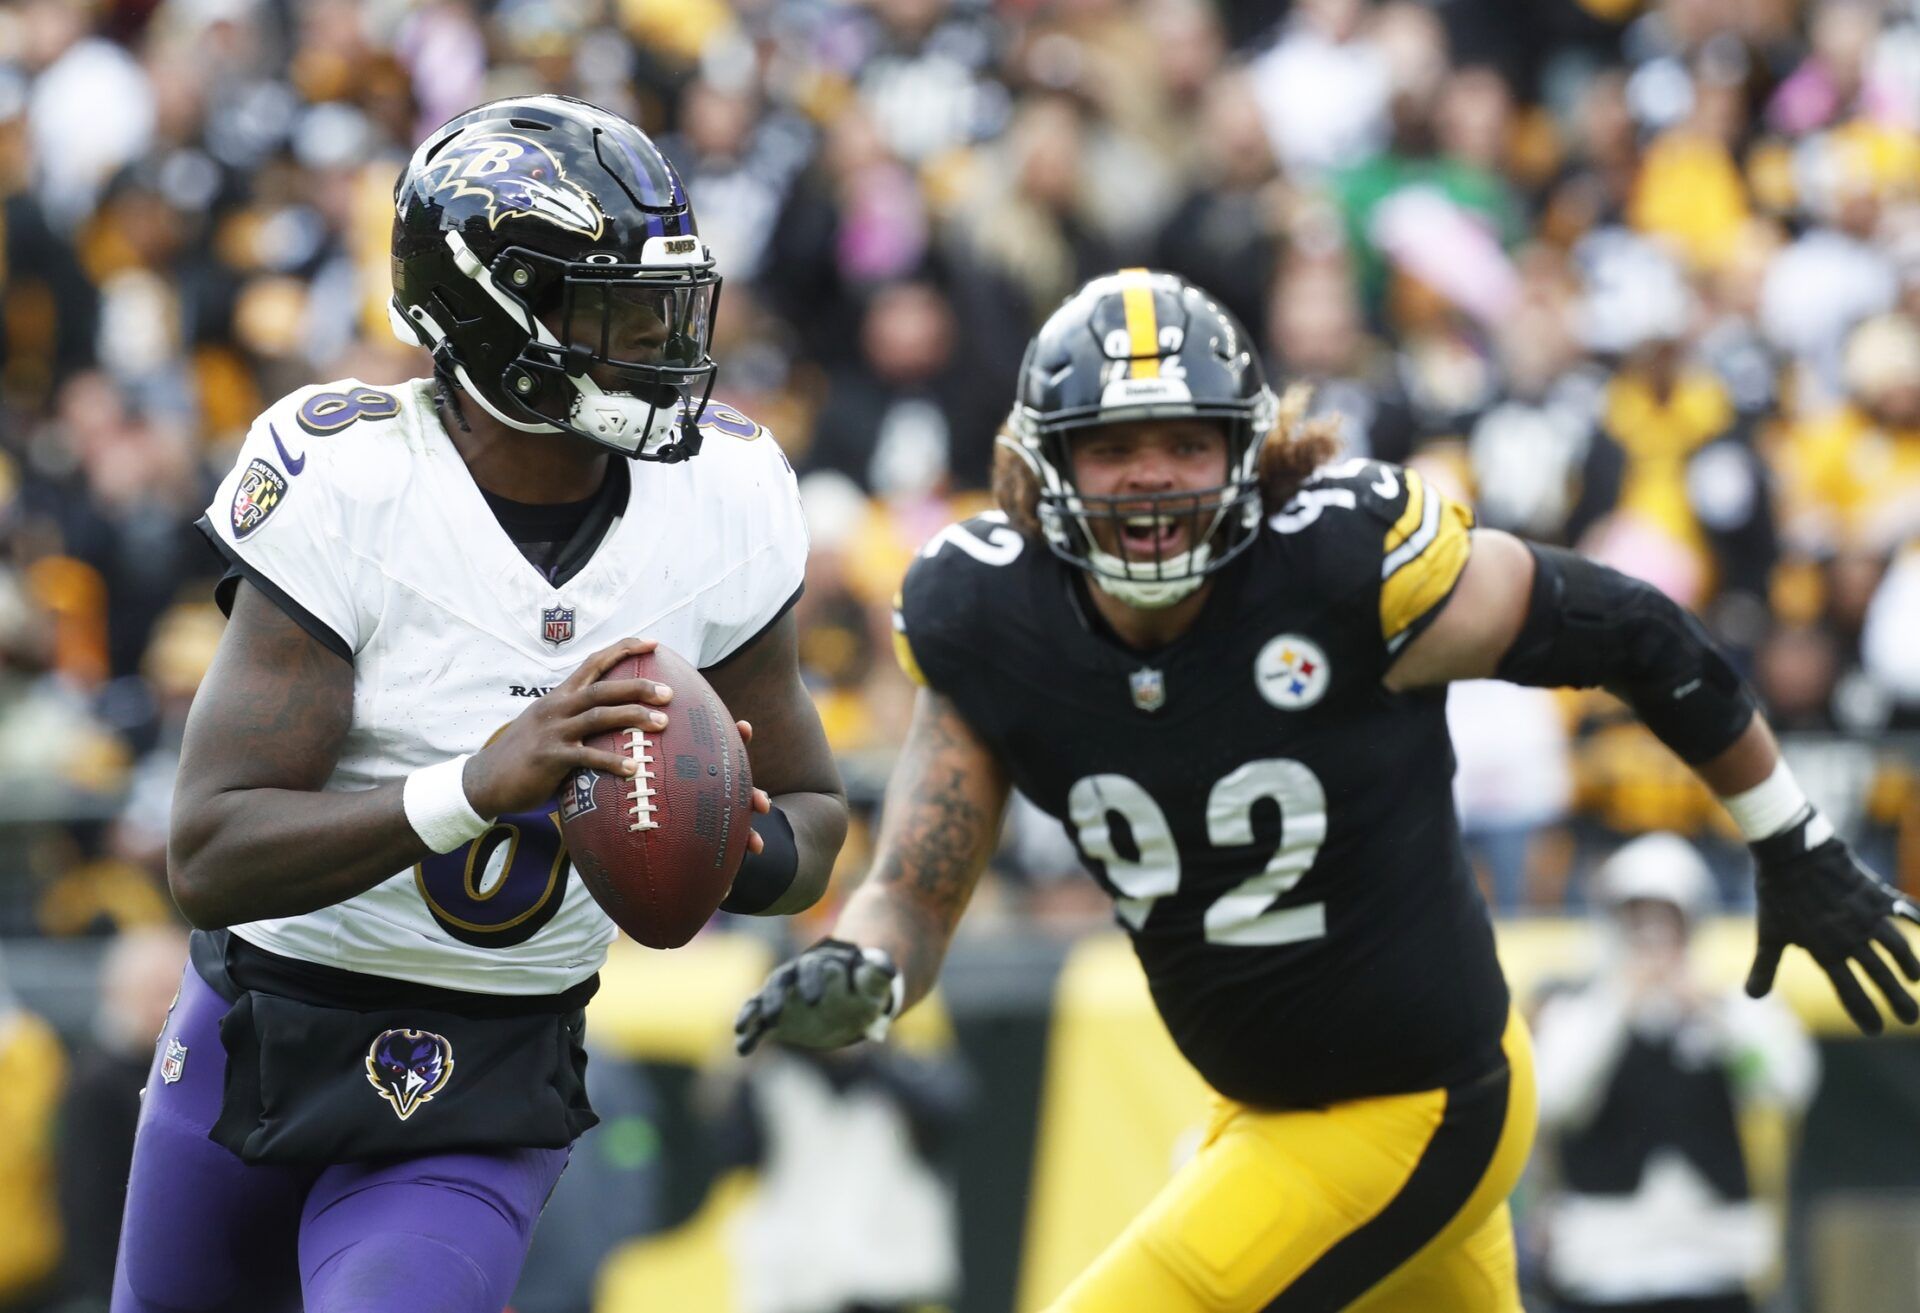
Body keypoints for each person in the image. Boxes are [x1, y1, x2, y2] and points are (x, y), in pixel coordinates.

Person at [734, 268, 1920, 1312]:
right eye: (1113, 445)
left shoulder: (1342, 569)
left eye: (1187, 442)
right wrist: (874, 969)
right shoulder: (986, 617)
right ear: (1046, 468)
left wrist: (1794, 841)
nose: (1152, 479)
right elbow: (920, 886)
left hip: (1426, 1099)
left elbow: (1632, 626)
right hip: (1260, 1111)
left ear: (1247, 451)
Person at [115, 94, 847, 1313]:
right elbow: (211, 849)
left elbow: (813, 818)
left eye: (668, 301)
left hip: (497, 1062)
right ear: (491, 309)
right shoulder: (349, 478)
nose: (661, 337)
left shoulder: (728, 496)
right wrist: (472, 789)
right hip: (260, 1033)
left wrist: (724, 843)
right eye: (613, 307)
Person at [1532, 834, 1818, 1313]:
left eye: (1668, 920)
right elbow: (1554, 1099)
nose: (1653, 937)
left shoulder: (1735, 1008)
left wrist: (1715, 1017)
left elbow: (1788, 1086)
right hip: (1604, 1265)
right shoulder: (1578, 1012)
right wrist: (1621, 1004)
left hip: (1715, 1262)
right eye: (1638, 919)